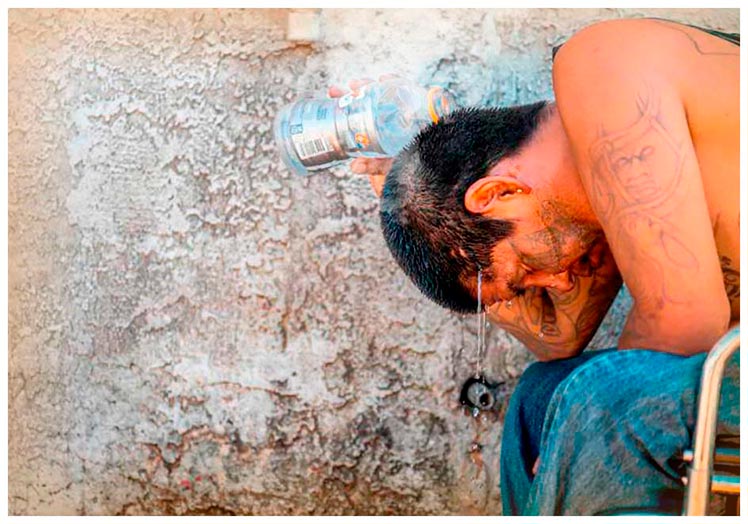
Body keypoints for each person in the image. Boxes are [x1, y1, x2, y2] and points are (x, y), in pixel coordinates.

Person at [331, 17, 739, 515]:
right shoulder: (595, 188)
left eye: (527, 268)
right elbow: (559, 339)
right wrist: (423, 199)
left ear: (499, 192)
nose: (560, 281)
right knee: (539, 397)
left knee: (599, 398)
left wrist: (578, 430)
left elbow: (687, 319)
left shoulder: (602, 69)